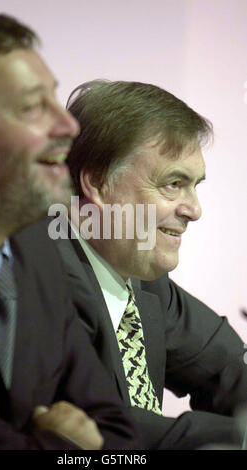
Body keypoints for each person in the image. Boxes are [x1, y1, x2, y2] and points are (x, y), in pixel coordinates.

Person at [0, 17, 136, 450]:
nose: (68, 125)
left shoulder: (37, 246)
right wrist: (67, 445)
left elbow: (117, 431)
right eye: (33, 107)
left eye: (56, 97)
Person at [45, 79, 247, 449]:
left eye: (195, 185)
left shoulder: (142, 277)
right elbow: (103, 428)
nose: (194, 210)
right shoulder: (40, 276)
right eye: (173, 184)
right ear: (99, 182)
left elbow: (230, 369)